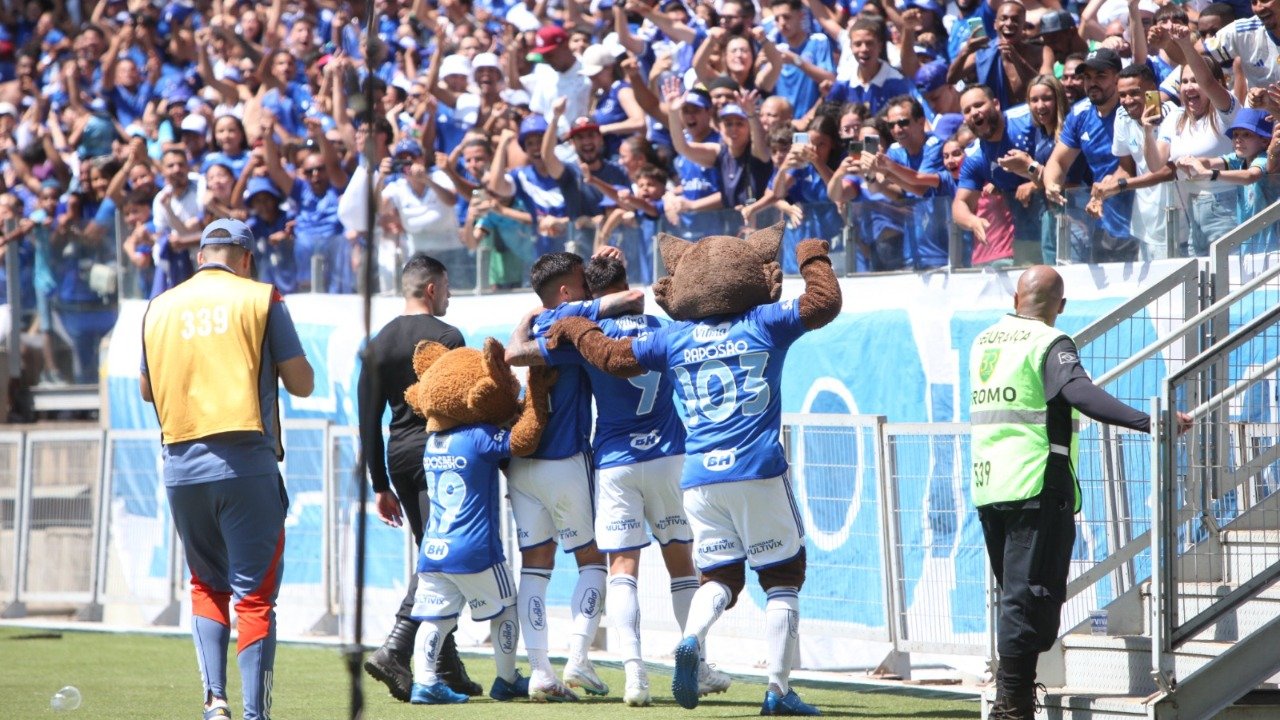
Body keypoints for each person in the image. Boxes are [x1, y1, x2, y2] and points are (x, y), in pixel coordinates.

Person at [539, 227, 841, 716]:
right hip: (757, 468)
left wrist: (576, 327)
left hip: (700, 476)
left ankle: (693, 639)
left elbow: (612, 358)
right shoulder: (763, 321)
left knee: (718, 577)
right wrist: (811, 251)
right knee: (783, 577)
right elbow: (823, 302)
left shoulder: (675, 337)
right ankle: (778, 691)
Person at [969, 265, 1190, 719]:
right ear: (1061, 306)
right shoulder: (1050, 342)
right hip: (1036, 484)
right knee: (1030, 598)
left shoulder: (983, 341)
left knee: (1016, 597)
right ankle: (1011, 706)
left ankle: (1013, 696)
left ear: (1016, 298)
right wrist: (1151, 421)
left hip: (990, 484)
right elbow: (1080, 393)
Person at [517, 254, 729, 706]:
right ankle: (699, 666)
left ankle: (635, 678)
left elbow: (522, 352)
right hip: (670, 455)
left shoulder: (588, 339)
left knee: (622, 571)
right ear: (625, 283)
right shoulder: (661, 328)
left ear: (594, 297)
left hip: (616, 461)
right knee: (681, 565)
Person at [140, 218, 315, 720]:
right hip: (245, 463)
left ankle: (214, 703)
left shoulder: (158, 307)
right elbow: (301, 382)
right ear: (246, 259)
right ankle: (255, 715)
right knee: (254, 598)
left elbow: (146, 389)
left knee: (206, 585)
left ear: (200, 257)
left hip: (180, 468)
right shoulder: (261, 298)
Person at [503, 249, 644, 701]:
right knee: (592, 561)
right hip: (565, 459)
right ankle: (579, 658)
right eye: (584, 282)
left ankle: (540, 671)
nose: (589, 290)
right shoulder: (573, 316)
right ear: (565, 292)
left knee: (535, 567)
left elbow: (511, 353)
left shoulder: (540, 322)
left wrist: (527, 317)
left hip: (523, 465)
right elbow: (630, 299)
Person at [358, 254, 483, 702]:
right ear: (431, 289)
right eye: (447, 287)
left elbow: (366, 421)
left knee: (434, 551)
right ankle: (396, 646)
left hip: (398, 458)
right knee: (438, 557)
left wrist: (379, 484)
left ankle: (447, 666)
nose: (449, 296)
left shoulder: (377, 344)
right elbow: (464, 405)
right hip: (439, 454)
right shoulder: (448, 337)